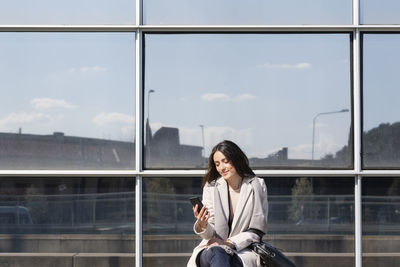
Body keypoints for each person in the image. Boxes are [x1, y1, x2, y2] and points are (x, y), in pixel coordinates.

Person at [187, 140, 268, 267]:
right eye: (217, 164)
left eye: (225, 161)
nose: (221, 168)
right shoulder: (211, 187)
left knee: (227, 258)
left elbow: (257, 230)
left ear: (236, 159)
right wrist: (203, 224)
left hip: (242, 250)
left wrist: (229, 243)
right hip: (212, 249)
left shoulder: (256, 185)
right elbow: (210, 234)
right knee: (219, 253)